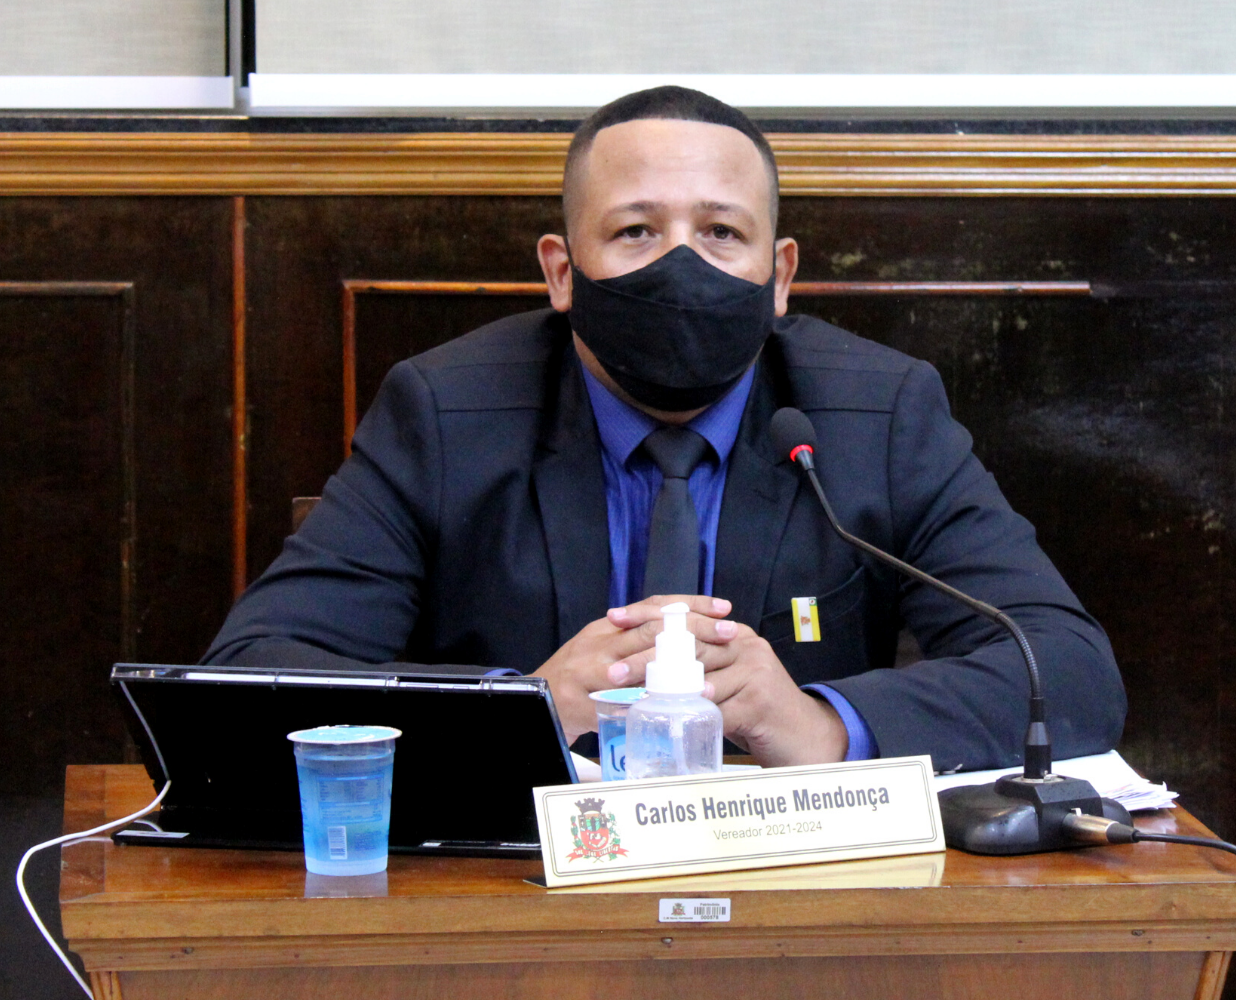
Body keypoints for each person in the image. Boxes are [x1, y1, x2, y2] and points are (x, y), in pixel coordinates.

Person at [203, 86, 1125, 772]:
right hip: (523, 899)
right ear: (562, 272)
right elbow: (252, 673)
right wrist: (524, 708)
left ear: (779, 275)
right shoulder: (444, 412)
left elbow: (1069, 671)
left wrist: (822, 724)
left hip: (793, 896)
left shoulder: (878, 415)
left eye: (721, 232)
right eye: (637, 232)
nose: (681, 267)